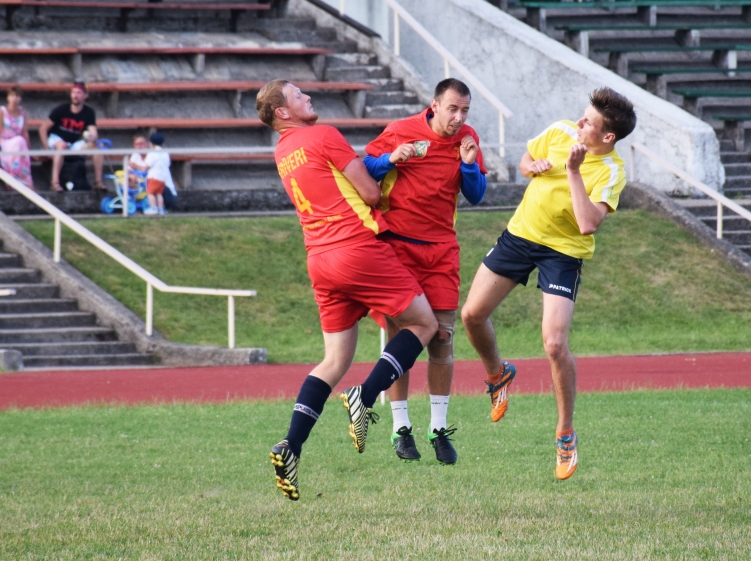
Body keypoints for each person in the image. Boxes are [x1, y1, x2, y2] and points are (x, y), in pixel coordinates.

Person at [257, 79, 440, 502]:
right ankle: (365, 394)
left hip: (320, 260)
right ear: (282, 112)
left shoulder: (282, 151)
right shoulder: (323, 135)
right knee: (425, 323)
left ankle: (291, 445)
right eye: (299, 96)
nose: (308, 97)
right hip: (356, 248)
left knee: (334, 359)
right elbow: (370, 193)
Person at [460, 87, 636, 481]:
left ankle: (565, 433)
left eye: (588, 122)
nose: (579, 123)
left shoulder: (612, 171)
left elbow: (588, 223)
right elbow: (525, 159)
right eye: (583, 115)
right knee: (471, 315)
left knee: (554, 344)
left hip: (564, 252)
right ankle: (497, 373)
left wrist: (573, 170)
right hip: (521, 235)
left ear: (607, 137)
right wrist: (531, 166)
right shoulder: (560, 131)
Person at [363, 78, 487, 464]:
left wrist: (468, 166)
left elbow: (478, 194)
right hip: (398, 247)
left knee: (443, 338)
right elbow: (362, 167)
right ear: (434, 104)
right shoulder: (401, 131)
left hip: (441, 251)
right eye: (453, 108)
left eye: (465, 110)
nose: (459, 117)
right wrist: (390, 159)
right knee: (402, 337)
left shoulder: (467, 139)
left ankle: (438, 429)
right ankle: (401, 429)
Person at [39, 82, 105, 192]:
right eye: (73, 92)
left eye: (79, 93)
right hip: (56, 139)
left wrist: (92, 138)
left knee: (97, 149)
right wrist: (46, 149)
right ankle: (54, 183)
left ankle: (98, 182)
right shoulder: (62, 109)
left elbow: (94, 133)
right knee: (62, 146)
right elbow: (42, 129)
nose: (75, 95)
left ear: (85, 96)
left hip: (73, 143)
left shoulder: (89, 112)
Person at [0, 85, 34, 189]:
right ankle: (12, 179)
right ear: (7, 97)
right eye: (12, 96)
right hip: (4, 142)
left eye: (17, 96)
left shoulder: (22, 112)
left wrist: (30, 150)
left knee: (21, 142)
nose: (14, 99)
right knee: (19, 142)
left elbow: (25, 132)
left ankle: (24, 180)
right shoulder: (2, 111)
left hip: (17, 143)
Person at [143, 132, 171, 216]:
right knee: (159, 194)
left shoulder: (152, 153)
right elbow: (168, 164)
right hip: (162, 177)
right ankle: (161, 209)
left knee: (150, 193)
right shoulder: (165, 153)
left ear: (151, 143)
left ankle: (153, 208)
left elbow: (147, 166)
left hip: (153, 176)